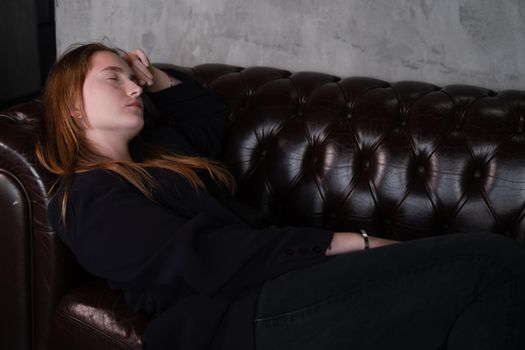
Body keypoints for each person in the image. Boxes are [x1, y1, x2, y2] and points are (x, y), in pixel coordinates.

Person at [36, 42, 525, 350]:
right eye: (112, 78)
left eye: (130, 76)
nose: (133, 89)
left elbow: (208, 117)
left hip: (277, 286)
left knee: (477, 288)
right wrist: (353, 242)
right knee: (491, 262)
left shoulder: (159, 151)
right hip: (233, 317)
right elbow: (207, 258)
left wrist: (157, 78)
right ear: (72, 107)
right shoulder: (85, 197)